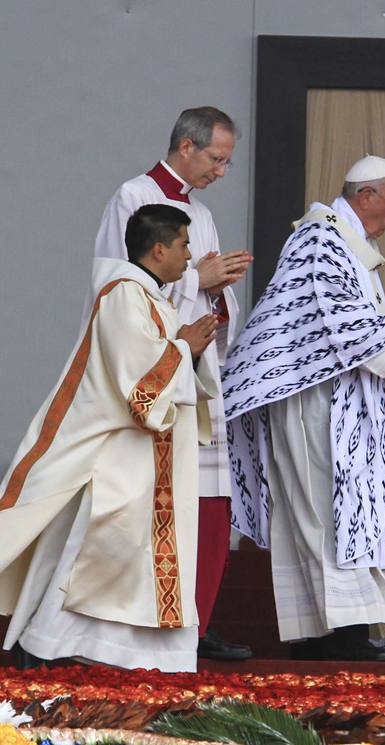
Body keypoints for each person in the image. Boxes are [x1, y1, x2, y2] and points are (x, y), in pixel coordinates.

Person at [222, 155, 385, 661]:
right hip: (311, 404)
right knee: (324, 514)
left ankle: (329, 632)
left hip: (337, 402)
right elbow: (333, 322)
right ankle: (339, 633)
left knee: (337, 513)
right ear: (366, 196)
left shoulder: (345, 242)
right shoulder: (320, 239)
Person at [0, 204, 220, 672]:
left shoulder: (152, 297)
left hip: (150, 459)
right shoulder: (124, 296)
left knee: (120, 556)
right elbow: (138, 388)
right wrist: (185, 347)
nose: (189, 255)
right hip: (124, 456)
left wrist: (185, 349)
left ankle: (120, 652)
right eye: (183, 244)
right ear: (159, 248)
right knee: (100, 554)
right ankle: (43, 644)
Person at [92, 107, 253, 660]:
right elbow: (120, 287)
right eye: (217, 159)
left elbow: (200, 289)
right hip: (156, 374)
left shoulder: (201, 213)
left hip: (197, 372)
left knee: (208, 498)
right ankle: (150, 624)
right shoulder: (132, 198)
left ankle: (197, 622)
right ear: (186, 146)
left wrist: (219, 292)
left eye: (228, 162)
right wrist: (198, 283)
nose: (222, 171)